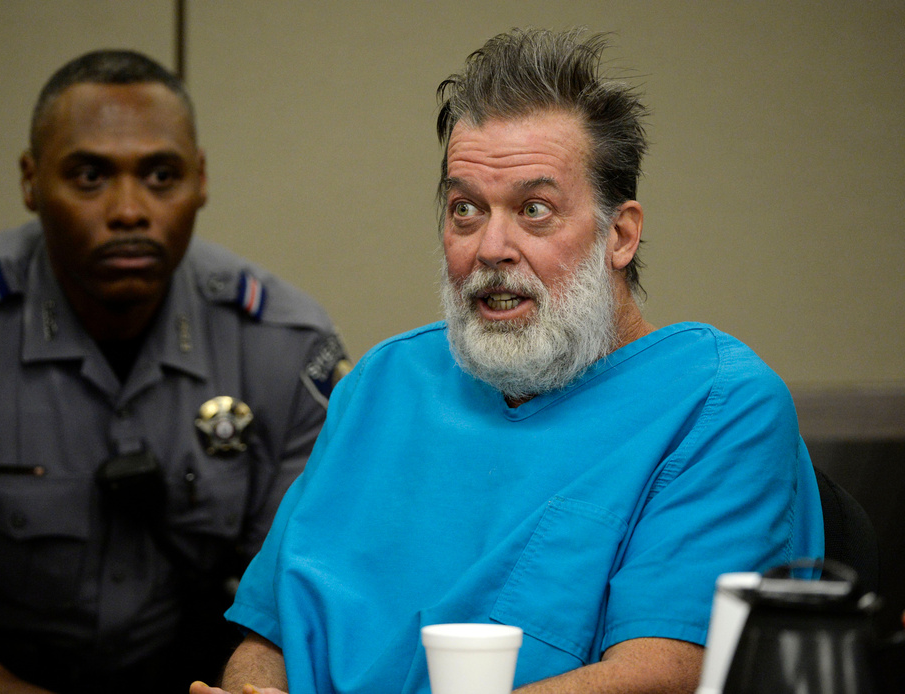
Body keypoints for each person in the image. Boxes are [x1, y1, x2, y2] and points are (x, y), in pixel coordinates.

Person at [194, 28, 824, 694]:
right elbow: (268, 637)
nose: (492, 246)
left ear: (621, 234)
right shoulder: (382, 383)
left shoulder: (716, 405)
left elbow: (661, 676)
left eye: (534, 210)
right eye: (466, 209)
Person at [0, 50, 348, 694]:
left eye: (161, 175)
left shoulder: (282, 348)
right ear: (30, 181)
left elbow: (298, 609)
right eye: (89, 176)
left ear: (202, 179)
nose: (129, 210)